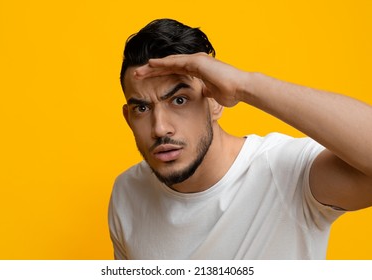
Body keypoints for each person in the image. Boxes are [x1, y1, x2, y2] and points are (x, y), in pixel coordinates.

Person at [109, 18, 372, 259]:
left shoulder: (286, 173)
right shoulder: (127, 193)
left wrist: (242, 85)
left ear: (214, 102)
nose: (160, 128)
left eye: (179, 100)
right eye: (142, 108)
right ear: (128, 118)